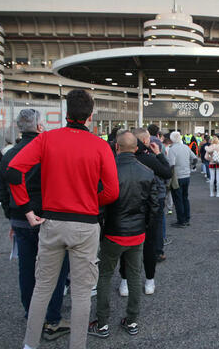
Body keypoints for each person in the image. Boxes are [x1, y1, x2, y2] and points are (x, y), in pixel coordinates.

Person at [7, 89, 119, 349]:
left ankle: (29, 344)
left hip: (51, 222)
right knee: (81, 293)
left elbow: (14, 172)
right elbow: (112, 192)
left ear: (66, 113)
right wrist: (92, 200)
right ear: (90, 116)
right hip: (85, 224)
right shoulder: (100, 146)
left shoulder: (46, 139)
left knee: (43, 287)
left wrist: (26, 208)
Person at [0, 109, 70, 342]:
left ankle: (31, 313)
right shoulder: (49, 151)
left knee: (27, 269)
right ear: (40, 127)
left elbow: (2, 189)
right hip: (48, 217)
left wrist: (12, 215)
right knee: (55, 269)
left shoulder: (9, 154)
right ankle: (52, 318)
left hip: (20, 218)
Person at [89, 131, 159, 339]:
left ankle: (102, 323)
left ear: (116, 147)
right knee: (135, 276)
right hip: (136, 233)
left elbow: (99, 204)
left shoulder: (108, 170)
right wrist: (145, 226)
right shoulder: (147, 172)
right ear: (136, 148)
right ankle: (132, 321)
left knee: (104, 276)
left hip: (113, 231)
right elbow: (154, 206)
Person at [118, 128, 171, 295]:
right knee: (149, 246)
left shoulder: (119, 160)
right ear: (146, 141)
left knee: (125, 246)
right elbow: (167, 172)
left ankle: (125, 281)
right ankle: (149, 281)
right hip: (148, 208)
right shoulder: (149, 159)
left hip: (124, 207)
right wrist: (159, 155)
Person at [168, 131, 197, 228]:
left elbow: (171, 164)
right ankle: (187, 218)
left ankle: (181, 220)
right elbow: (195, 158)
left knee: (177, 199)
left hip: (177, 177)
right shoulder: (185, 147)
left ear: (172, 139)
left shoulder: (172, 149)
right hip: (186, 175)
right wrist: (191, 166)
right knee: (185, 197)